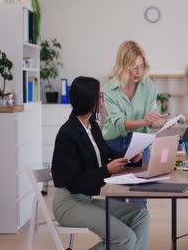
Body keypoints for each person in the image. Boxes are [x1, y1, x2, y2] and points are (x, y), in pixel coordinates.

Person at [52, 76, 149, 250]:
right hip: (69, 204)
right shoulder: (68, 133)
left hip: (85, 199)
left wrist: (131, 158)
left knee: (140, 215)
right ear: (89, 100)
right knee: (125, 239)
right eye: (100, 96)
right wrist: (106, 170)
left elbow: (108, 156)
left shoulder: (93, 126)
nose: (103, 99)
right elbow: (73, 182)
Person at [102, 41, 177, 207]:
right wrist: (145, 121)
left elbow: (152, 120)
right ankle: (119, 233)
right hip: (112, 145)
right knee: (115, 197)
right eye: (134, 67)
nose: (139, 72)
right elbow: (119, 123)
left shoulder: (148, 86)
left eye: (142, 66)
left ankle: (137, 232)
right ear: (123, 65)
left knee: (139, 197)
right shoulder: (108, 89)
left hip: (140, 146)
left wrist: (164, 122)